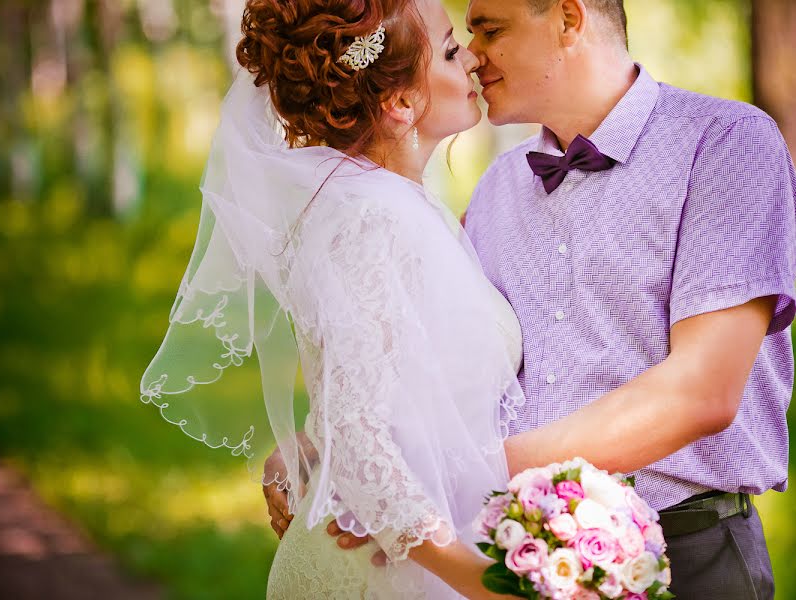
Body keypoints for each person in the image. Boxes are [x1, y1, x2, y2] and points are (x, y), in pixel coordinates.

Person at [265, 1, 795, 597]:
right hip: (523, 553)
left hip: (689, 552)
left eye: (490, 29)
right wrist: (329, 444)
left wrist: (444, 476)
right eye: (464, 36)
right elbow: (426, 352)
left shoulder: (724, 142)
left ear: (568, 18)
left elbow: (701, 392)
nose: (474, 53)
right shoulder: (495, 189)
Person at [141, 0, 530, 597]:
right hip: (386, 571)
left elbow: (379, 389)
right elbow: (359, 434)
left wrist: (308, 441)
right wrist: (489, 584)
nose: (474, 57)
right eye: (452, 50)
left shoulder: (388, 206)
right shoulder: (372, 218)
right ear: (400, 103)